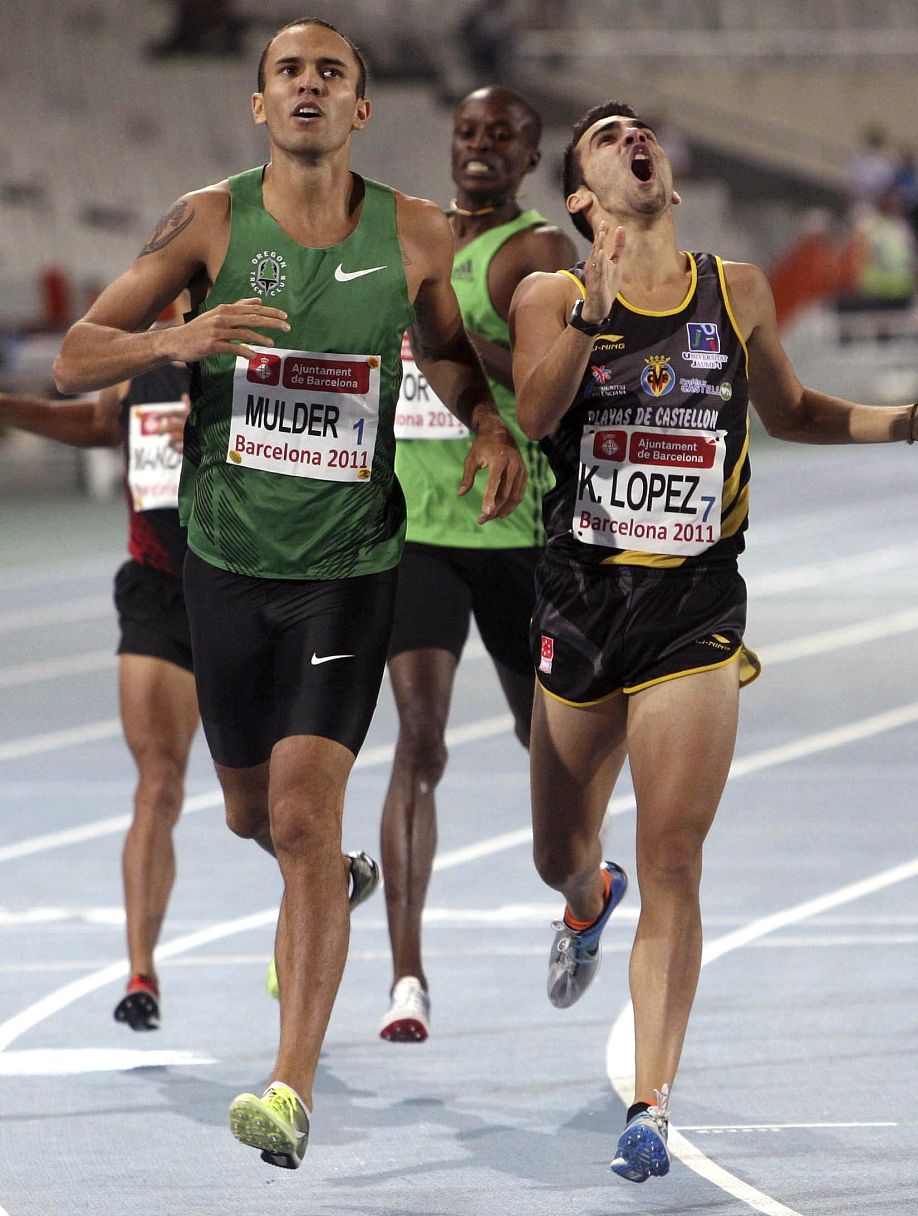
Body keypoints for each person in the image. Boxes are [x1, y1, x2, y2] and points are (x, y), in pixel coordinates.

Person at [509, 101, 918, 1183]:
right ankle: (582, 896)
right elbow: (533, 412)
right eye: (605, 136)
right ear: (577, 195)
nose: (631, 139)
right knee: (559, 847)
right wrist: (588, 317)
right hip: (581, 600)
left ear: (670, 175)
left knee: (676, 853)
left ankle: (651, 1100)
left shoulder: (733, 289)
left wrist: (906, 423)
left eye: (639, 131)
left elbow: (785, 409)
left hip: (694, 606)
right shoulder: (549, 293)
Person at [52, 18, 526, 1170]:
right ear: (259, 104)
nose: (309, 86)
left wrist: (481, 421)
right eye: (289, 72)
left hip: (351, 569)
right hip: (222, 563)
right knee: (250, 816)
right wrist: (188, 335)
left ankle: (288, 1086)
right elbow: (73, 356)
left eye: (333, 74)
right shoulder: (210, 221)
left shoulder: (412, 231)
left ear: (361, 110)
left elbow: (447, 349)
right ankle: (337, 883)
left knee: (307, 821)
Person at [377, 85, 575, 1044]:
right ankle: (406, 976)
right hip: (416, 531)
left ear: (531, 159)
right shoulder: (409, 237)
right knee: (419, 739)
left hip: (513, 533)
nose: (481, 148)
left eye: (503, 137)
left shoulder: (538, 256)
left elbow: (545, 385)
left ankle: (582, 887)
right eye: (467, 132)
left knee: (549, 746)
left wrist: (445, 338)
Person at [0, 338, 196, 1033]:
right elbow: (95, 424)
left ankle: (328, 874)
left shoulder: (264, 339)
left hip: (246, 592)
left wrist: (216, 428)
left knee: (264, 811)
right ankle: (141, 974)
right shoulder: (147, 353)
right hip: (157, 587)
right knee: (158, 784)